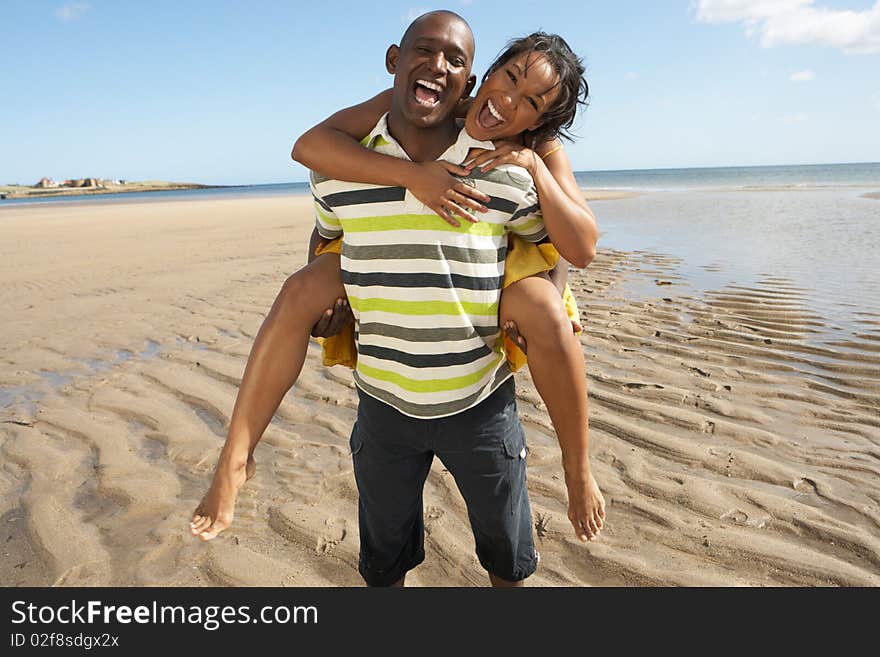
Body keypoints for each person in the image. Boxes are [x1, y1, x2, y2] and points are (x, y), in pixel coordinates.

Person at [190, 12, 604, 585]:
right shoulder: (348, 159)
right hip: (384, 401)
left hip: (479, 399)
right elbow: (322, 215)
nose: (510, 100)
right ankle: (235, 456)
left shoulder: (518, 162)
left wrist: (547, 295)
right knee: (382, 565)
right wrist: (334, 299)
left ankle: (578, 469)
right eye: (508, 78)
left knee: (508, 561)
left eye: (531, 101)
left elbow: (565, 247)